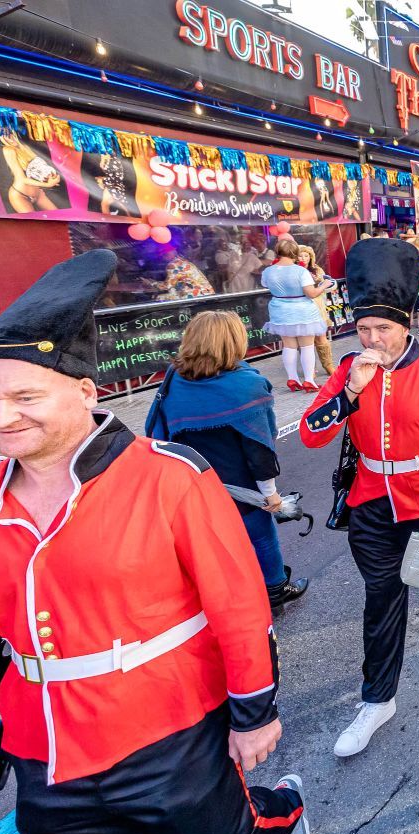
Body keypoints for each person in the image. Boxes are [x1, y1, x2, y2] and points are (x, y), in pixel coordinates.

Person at [0, 250, 308, 834]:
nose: (0, 418)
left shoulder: (169, 478)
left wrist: (254, 712)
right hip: (41, 745)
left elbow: (239, 606)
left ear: (86, 391)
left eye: (25, 397)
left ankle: (286, 818)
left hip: (171, 728)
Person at [300, 239, 419, 758]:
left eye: (384, 329)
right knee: (382, 597)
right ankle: (378, 698)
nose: (373, 338)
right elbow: (311, 433)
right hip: (372, 502)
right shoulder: (350, 370)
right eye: (364, 329)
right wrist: (349, 391)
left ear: (405, 326)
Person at [145, 310, 311, 610]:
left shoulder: (174, 378)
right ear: (234, 342)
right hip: (240, 484)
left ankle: (219, 597)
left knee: (209, 543)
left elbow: (159, 429)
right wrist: (270, 494)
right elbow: (259, 448)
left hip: (190, 482)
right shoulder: (245, 386)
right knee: (261, 537)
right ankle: (275, 588)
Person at [262, 240, 337, 393]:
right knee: (307, 346)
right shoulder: (301, 271)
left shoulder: (268, 271)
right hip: (302, 310)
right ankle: (309, 381)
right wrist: (324, 285)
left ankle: (293, 378)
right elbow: (311, 293)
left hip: (279, 310)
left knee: (289, 346)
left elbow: (266, 285)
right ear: (295, 253)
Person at [296, 244, 336, 376]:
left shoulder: (317, 270)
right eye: (300, 255)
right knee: (305, 340)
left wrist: (324, 284)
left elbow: (326, 286)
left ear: (310, 257)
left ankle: (328, 365)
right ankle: (310, 369)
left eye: (306, 255)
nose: (303, 258)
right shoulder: (294, 271)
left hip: (317, 307)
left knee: (321, 338)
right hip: (302, 308)